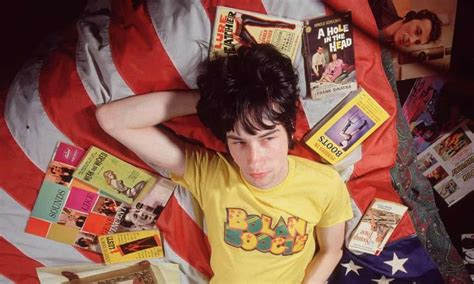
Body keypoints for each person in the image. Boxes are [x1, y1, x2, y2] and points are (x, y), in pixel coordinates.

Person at [96, 44, 353, 284]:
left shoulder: (325, 183)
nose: (254, 160)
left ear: (290, 131)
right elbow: (112, 120)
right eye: (239, 142)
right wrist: (217, 102)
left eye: (267, 138)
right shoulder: (210, 172)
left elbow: (331, 250)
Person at [369, 0, 442, 48]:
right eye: (417, 31)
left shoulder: (386, 55)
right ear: (411, 17)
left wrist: (383, 35)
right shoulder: (379, 2)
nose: (411, 41)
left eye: (417, 42)